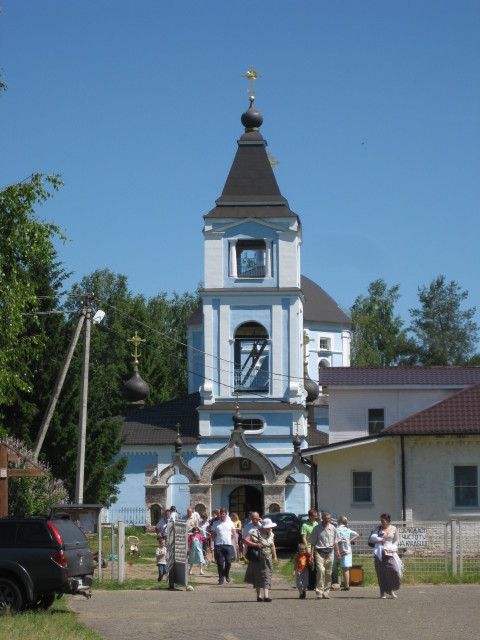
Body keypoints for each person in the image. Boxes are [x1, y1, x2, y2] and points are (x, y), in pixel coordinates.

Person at [369, 513, 403, 599]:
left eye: (383, 520)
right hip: (380, 552)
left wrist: (393, 547)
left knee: (394, 570)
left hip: (390, 551)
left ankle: (391, 589)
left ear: (388, 520)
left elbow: (396, 540)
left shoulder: (394, 528)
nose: (381, 522)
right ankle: (382, 592)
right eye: (381, 520)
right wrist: (378, 540)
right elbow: (371, 539)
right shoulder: (378, 528)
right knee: (381, 573)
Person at [244, 517, 278, 602]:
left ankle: (266, 596)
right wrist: (255, 545)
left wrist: (275, 557)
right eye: (269, 527)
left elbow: (272, 546)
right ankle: (259, 595)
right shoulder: (256, 533)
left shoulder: (271, 534)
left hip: (268, 558)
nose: (270, 528)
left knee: (267, 575)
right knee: (258, 575)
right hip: (257, 558)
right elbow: (245, 540)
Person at [309, 510, 341, 600]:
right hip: (319, 551)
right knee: (320, 571)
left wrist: (338, 552)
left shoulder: (333, 528)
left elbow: (336, 541)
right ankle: (319, 592)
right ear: (322, 518)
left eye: (329, 518)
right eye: (326, 518)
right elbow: (313, 542)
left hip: (330, 552)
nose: (327, 520)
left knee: (328, 572)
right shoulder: (317, 528)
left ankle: (326, 592)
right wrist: (311, 555)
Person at [210, 508, 238, 584]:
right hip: (218, 545)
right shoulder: (216, 523)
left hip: (228, 545)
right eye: (221, 514)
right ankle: (221, 578)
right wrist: (211, 544)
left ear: (226, 514)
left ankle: (226, 573)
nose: (222, 515)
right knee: (220, 563)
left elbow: (234, 533)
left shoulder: (230, 523)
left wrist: (236, 543)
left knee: (228, 562)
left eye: (224, 514)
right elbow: (212, 535)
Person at [336, 516, 360, 591]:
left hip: (341, 549)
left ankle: (346, 585)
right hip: (348, 549)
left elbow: (335, 540)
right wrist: (350, 541)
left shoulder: (337, 529)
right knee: (346, 568)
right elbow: (357, 534)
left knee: (344, 568)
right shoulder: (347, 529)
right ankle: (347, 584)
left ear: (339, 521)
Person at [301, 509, 318, 590]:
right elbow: (304, 538)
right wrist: (307, 548)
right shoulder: (305, 525)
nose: (316, 517)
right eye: (314, 516)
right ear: (310, 516)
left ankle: (314, 583)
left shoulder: (316, 524)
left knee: (317, 566)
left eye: (316, 516)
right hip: (308, 547)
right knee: (309, 566)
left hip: (316, 547)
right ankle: (310, 584)